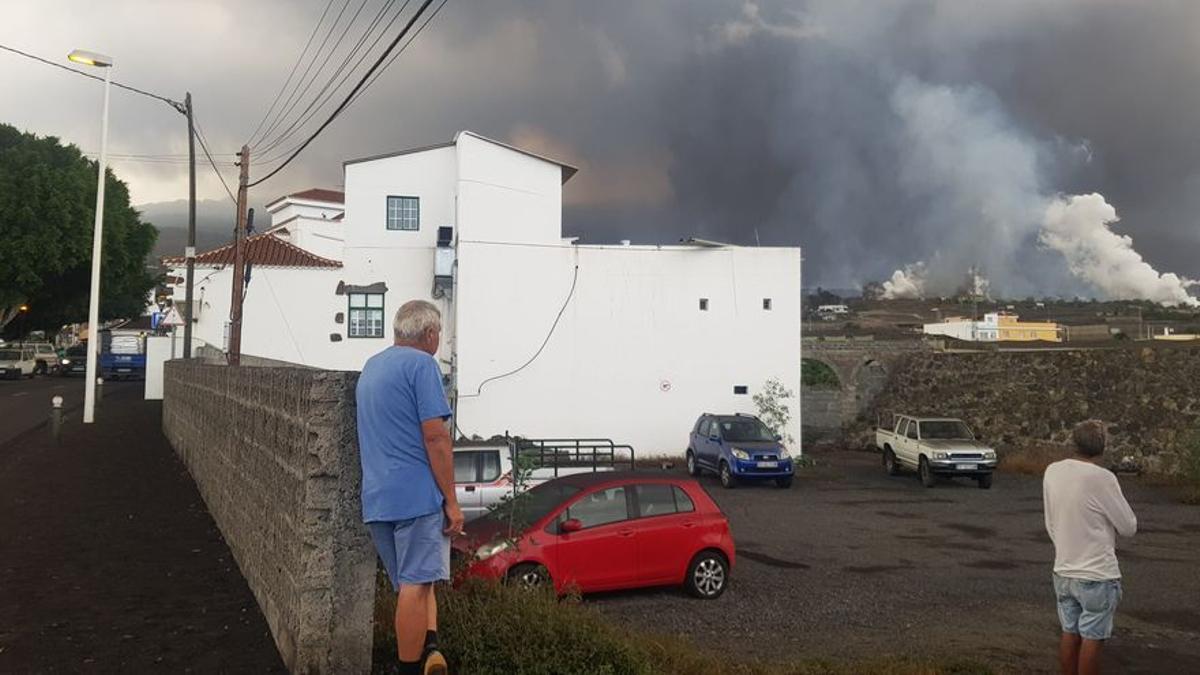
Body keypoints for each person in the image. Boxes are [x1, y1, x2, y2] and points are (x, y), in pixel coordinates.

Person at [358, 300, 463, 675]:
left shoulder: (372, 368)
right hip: (416, 496)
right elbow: (436, 437)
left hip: (376, 498)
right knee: (415, 586)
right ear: (431, 334)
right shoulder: (423, 366)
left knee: (417, 581)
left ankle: (430, 648)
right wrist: (451, 501)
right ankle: (407, 668)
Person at [1043, 420, 1137, 675]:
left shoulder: (1053, 471)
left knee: (1069, 632)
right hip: (1096, 572)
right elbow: (1128, 526)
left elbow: (1051, 520)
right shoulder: (1103, 478)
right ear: (1103, 446)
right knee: (1093, 637)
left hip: (1063, 569)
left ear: (1074, 443)